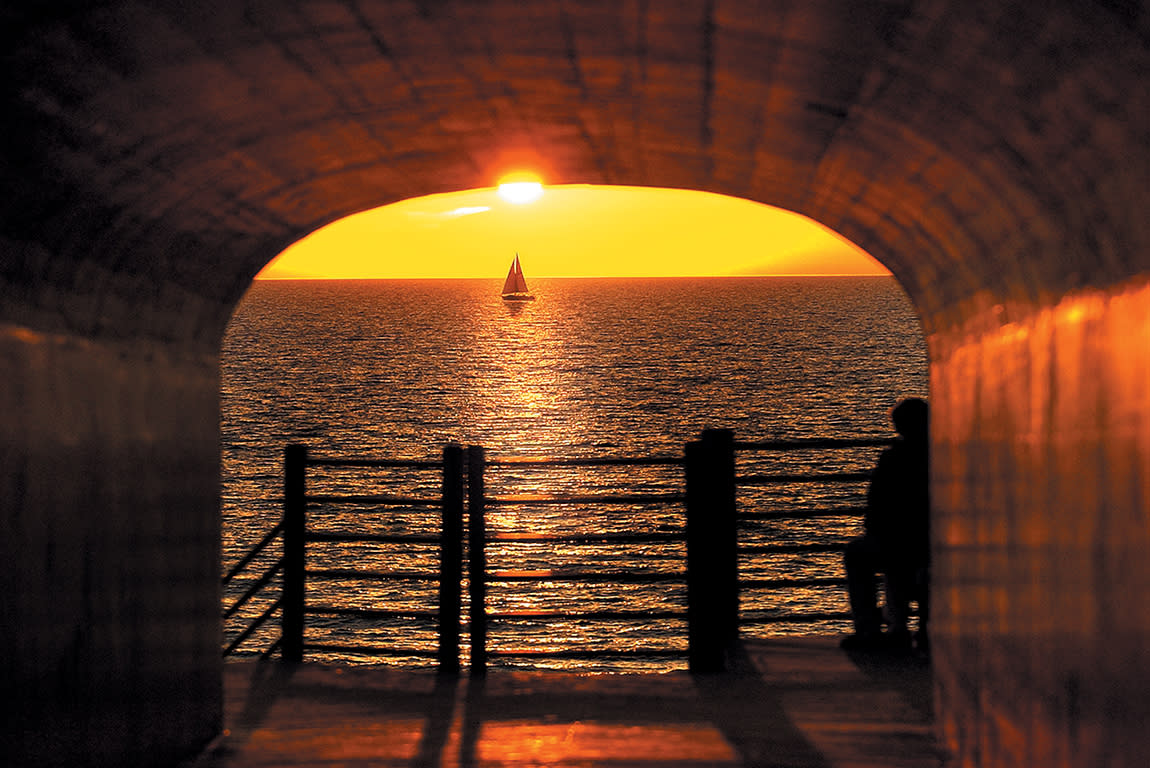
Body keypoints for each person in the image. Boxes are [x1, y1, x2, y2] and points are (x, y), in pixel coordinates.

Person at [840, 397, 930, 653]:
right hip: (931, 544)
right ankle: (905, 627)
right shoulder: (946, 456)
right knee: (903, 559)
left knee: (858, 554)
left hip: (898, 542)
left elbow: (876, 505)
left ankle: (870, 630)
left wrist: (877, 532)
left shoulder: (893, 459)